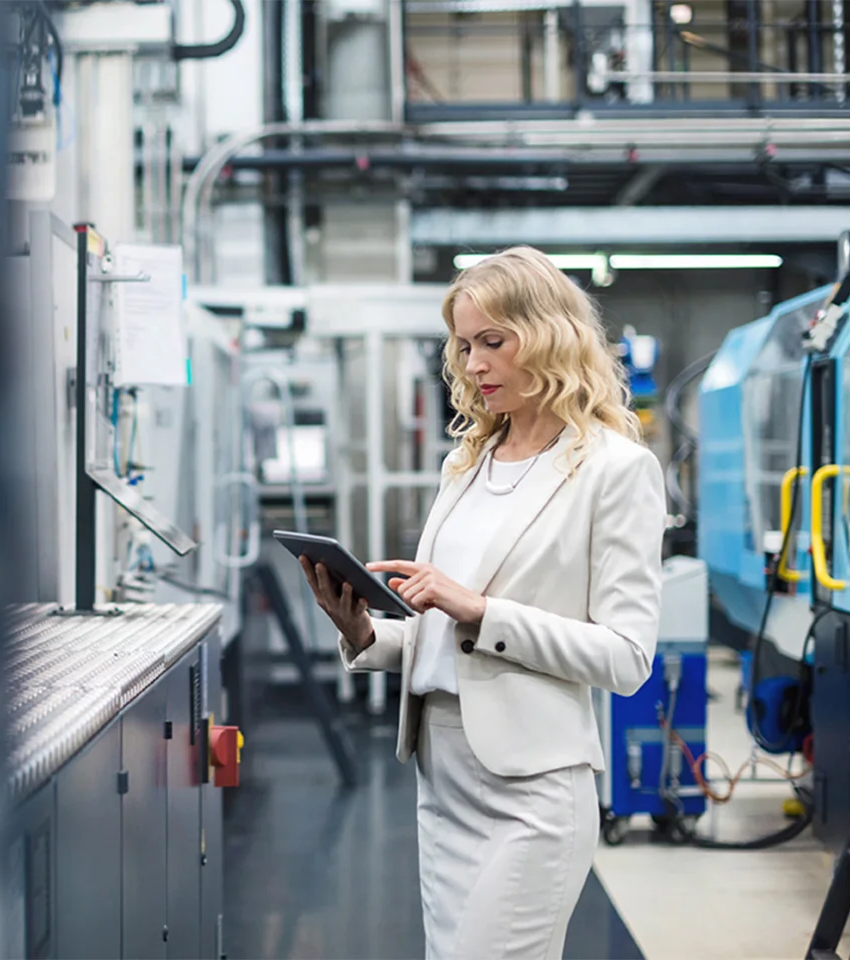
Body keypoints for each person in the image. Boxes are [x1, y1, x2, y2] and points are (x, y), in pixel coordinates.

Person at [300, 246, 665, 960]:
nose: (473, 366)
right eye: (465, 346)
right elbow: (448, 641)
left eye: (493, 342)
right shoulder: (467, 462)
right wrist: (367, 632)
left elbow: (626, 658)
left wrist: (480, 610)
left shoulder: (615, 470)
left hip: (533, 791)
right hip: (443, 781)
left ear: (551, 334)